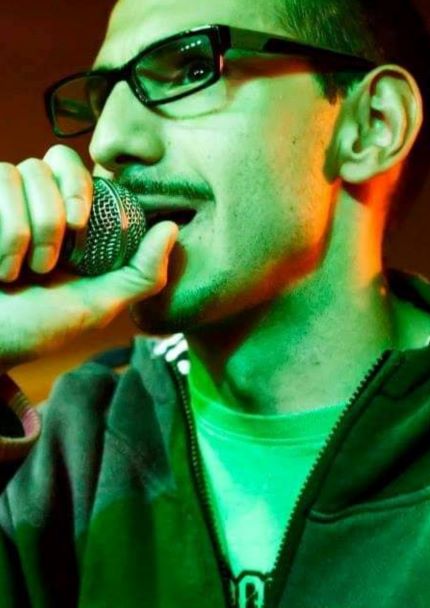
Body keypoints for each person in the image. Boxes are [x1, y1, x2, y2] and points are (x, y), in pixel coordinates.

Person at [0, 0, 429, 606]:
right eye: (100, 101)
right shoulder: (62, 459)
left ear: (373, 124)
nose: (108, 141)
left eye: (190, 68)